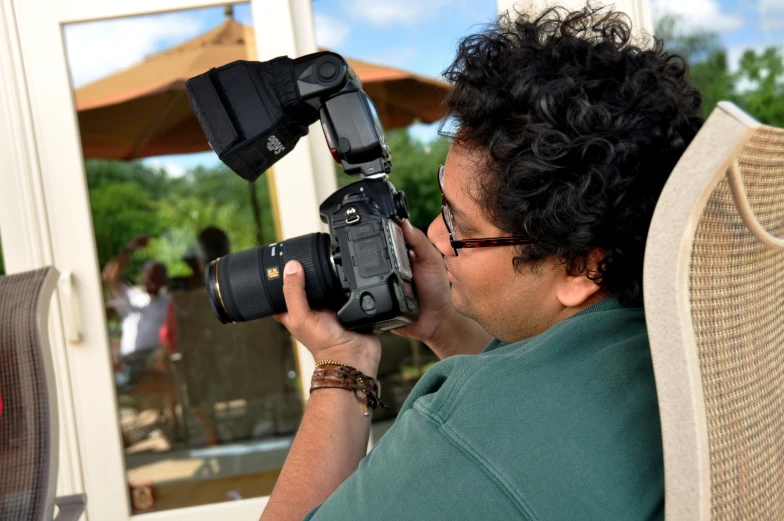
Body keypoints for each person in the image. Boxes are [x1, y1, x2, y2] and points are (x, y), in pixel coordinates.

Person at [260, 6, 703, 521]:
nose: (432, 236)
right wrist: (445, 324)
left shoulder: (472, 432)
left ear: (580, 267)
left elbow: (499, 442)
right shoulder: (668, 336)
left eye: (461, 227)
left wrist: (342, 364)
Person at [102, 235, 171, 385]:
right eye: (150, 277)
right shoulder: (133, 297)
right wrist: (128, 249)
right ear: (143, 278)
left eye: (157, 277)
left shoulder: (169, 301)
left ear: (164, 280)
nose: (152, 282)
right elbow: (110, 278)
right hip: (129, 361)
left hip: (155, 359)